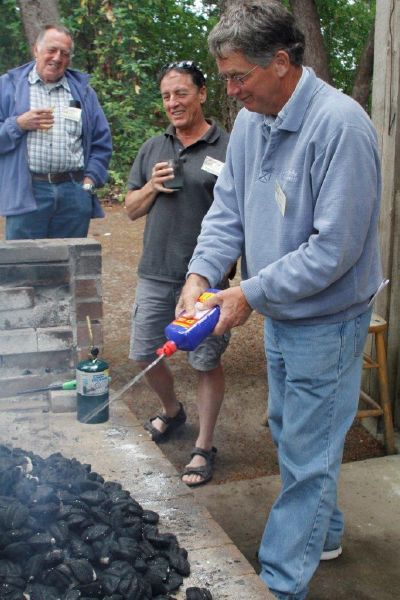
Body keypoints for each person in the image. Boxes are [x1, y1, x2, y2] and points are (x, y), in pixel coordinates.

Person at [177, 2, 383, 598]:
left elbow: (335, 250)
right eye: (226, 78)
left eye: (239, 76)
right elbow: (229, 212)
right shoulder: (250, 124)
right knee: (290, 427)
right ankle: (325, 533)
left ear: (284, 63)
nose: (231, 90)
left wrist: (248, 294)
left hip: (329, 321)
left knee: (308, 451)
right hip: (282, 315)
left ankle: (279, 584)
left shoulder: (341, 127)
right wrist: (201, 275)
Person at [125, 61, 230, 487]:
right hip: (155, 271)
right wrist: (151, 186)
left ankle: (204, 445)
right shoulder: (153, 147)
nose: (173, 103)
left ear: (202, 94)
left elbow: (239, 216)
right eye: (167, 96)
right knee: (143, 351)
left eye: (182, 93)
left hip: (208, 281)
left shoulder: (229, 148)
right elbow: (130, 209)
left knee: (205, 361)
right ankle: (173, 412)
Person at [0, 24, 112, 240]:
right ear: (36, 50)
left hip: (74, 192)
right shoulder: (7, 87)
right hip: (28, 192)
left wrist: (89, 183)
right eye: (52, 50)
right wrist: (18, 124)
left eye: (65, 53)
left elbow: (101, 142)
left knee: (69, 265)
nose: (57, 58)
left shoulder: (83, 92)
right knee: (24, 267)